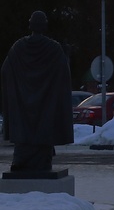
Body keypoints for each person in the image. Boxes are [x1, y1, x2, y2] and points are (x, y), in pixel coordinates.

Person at [1, 11, 74, 174]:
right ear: (45, 26)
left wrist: (19, 89)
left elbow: (5, 70)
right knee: (44, 135)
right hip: (46, 104)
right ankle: (40, 162)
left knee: (24, 137)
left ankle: (21, 161)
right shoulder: (54, 49)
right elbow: (63, 73)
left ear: (30, 25)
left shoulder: (18, 47)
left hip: (23, 105)